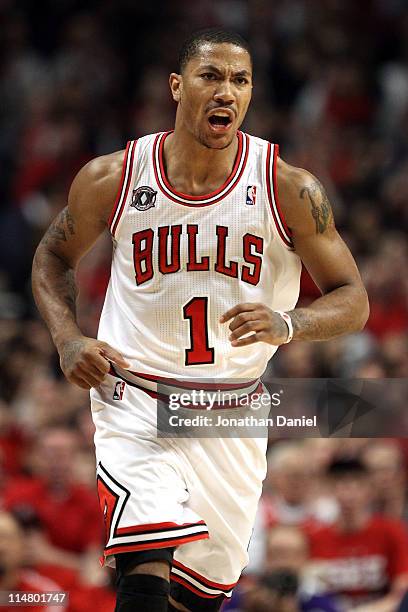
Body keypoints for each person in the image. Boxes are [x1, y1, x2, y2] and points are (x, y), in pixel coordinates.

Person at [32, 27, 369, 612]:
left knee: (197, 599)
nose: (226, 92)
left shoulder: (289, 189)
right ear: (176, 86)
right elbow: (52, 257)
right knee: (144, 573)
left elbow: (353, 298)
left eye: (240, 81)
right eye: (210, 76)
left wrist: (288, 323)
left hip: (232, 410)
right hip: (135, 396)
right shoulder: (113, 177)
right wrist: (66, 338)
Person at [309, 458, 408, 611]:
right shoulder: (316, 537)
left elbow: (402, 590)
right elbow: (311, 591)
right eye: (341, 487)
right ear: (330, 490)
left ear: (369, 490)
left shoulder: (391, 532)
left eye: (356, 487)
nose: (348, 495)